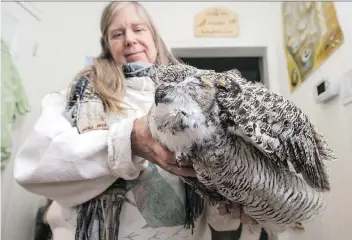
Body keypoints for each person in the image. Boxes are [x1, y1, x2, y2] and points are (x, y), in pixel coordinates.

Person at [14, 2, 269, 240]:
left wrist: (233, 201)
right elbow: (34, 168)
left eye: (138, 29)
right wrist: (127, 142)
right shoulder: (78, 95)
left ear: (154, 37)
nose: (130, 40)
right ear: (107, 45)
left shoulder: (199, 97)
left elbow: (217, 217)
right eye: (117, 34)